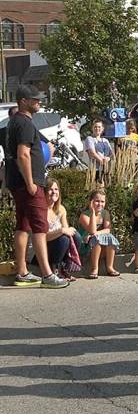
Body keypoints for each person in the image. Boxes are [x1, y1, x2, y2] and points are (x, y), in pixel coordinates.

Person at [6, 85, 68, 288]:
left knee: (22, 225)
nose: (39, 102)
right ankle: (48, 275)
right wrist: (31, 182)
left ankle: (22, 272)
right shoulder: (23, 123)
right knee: (39, 227)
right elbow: (23, 154)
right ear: (24, 101)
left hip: (18, 183)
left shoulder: (14, 122)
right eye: (35, 99)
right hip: (28, 185)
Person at [40, 179, 80, 282]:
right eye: (50, 189)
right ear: (44, 192)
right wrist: (61, 231)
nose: (54, 192)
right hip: (40, 251)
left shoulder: (61, 209)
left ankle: (64, 267)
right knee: (63, 239)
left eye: (56, 189)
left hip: (56, 247)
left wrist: (67, 230)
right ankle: (54, 270)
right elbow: (41, 238)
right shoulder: (39, 210)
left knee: (75, 236)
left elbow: (67, 230)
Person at [79, 189, 120, 279]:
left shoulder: (105, 213)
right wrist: (93, 213)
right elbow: (92, 231)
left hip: (100, 246)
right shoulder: (84, 215)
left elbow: (107, 230)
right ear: (91, 202)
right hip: (86, 247)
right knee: (96, 239)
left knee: (110, 238)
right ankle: (94, 269)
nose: (100, 204)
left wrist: (96, 234)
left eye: (102, 201)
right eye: (97, 201)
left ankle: (110, 267)